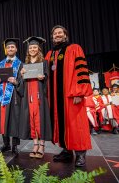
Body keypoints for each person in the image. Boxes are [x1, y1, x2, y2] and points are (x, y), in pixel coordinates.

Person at [45, 25, 93, 167]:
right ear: (52, 37)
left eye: (60, 33)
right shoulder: (50, 54)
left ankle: (80, 154)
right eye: (55, 34)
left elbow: (81, 71)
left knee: (75, 124)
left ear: (65, 35)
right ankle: (66, 151)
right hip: (55, 97)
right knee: (61, 123)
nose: (58, 35)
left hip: (71, 95)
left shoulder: (74, 48)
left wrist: (79, 92)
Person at [19, 37, 52, 159]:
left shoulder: (43, 63)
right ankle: (35, 144)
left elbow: (48, 78)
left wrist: (43, 77)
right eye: (31, 48)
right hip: (29, 95)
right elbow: (19, 83)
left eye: (35, 47)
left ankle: (42, 146)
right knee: (31, 119)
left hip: (39, 95)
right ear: (28, 50)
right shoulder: (24, 64)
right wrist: (21, 75)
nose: (32, 49)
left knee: (40, 118)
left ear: (38, 49)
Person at [0, 38, 23, 155]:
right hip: (1, 96)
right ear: (5, 50)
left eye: (12, 47)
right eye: (8, 47)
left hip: (14, 96)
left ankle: (15, 146)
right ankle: (6, 144)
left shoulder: (21, 64)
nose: (10, 49)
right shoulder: (0, 63)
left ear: (16, 49)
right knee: (3, 120)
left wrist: (16, 82)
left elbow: (23, 82)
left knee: (14, 120)